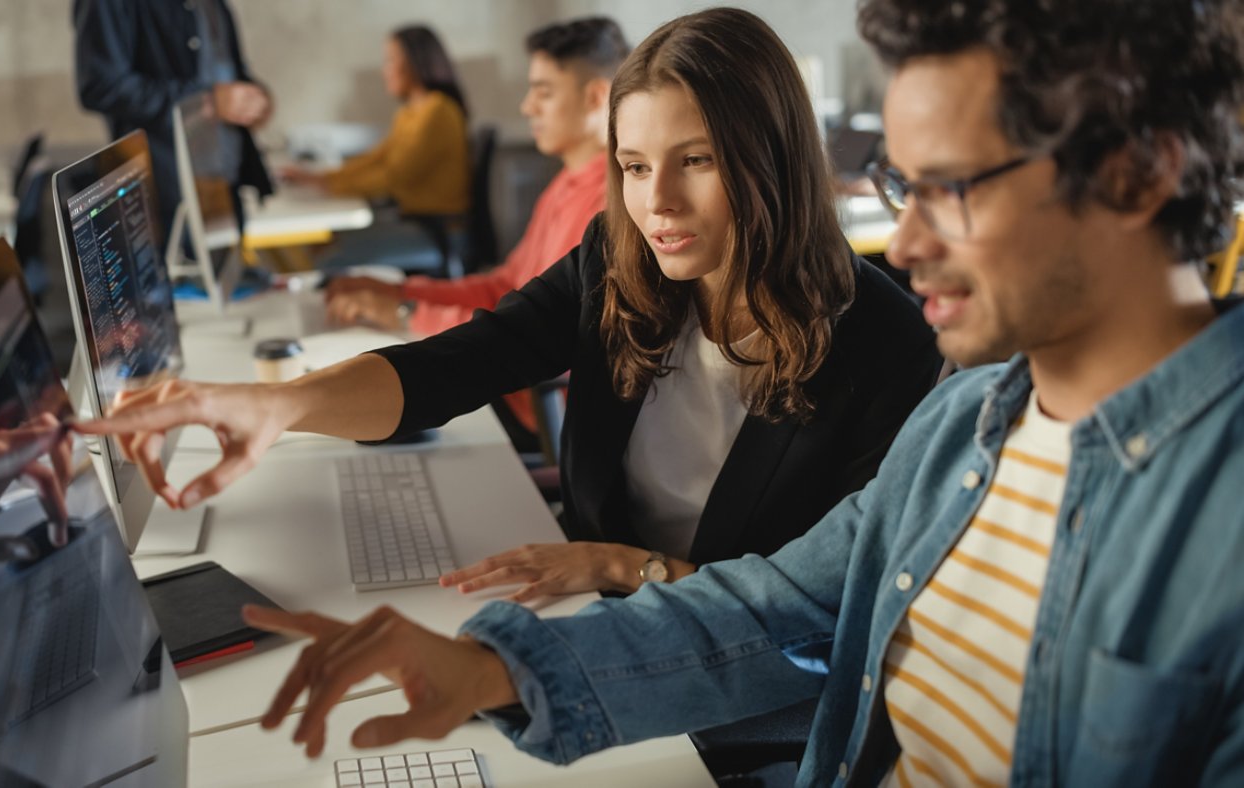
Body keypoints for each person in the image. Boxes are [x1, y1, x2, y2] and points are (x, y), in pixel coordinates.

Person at [220, 1, 1244, 784]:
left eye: (952, 187)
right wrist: (491, 669)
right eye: (904, 187)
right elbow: (779, 606)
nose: (912, 240)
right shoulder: (970, 419)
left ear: (1136, 174)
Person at [81, 6, 939, 607]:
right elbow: (462, 362)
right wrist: (279, 405)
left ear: (772, 159)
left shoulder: (884, 343)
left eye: (699, 161)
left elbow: (834, 607)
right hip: (595, 611)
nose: (658, 203)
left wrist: (624, 569)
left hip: (718, 675)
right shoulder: (621, 261)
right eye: (635, 168)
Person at [324, 16, 629, 439]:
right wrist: (400, 292)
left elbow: (538, 339)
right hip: (511, 381)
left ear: (596, 97)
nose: (527, 107)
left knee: (363, 409)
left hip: (535, 406)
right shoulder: (565, 182)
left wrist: (405, 311)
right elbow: (506, 288)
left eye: (543, 91)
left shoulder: (606, 209)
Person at [72, 0, 274, 238]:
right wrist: (206, 102)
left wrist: (254, 100)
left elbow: (221, 68)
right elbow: (100, 86)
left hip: (223, 187)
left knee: (230, 272)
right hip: (166, 199)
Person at [282, 25, 471, 274]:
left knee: (326, 257)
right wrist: (321, 178)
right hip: (415, 222)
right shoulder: (408, 113)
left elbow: (394, 177)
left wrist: (328, 185)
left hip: (438, 232)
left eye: (391, 60)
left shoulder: (437, 112)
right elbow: (374, 159)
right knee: (323, 245)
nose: (385, 70)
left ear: (415, 61)